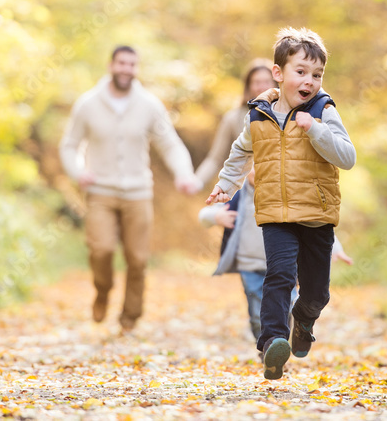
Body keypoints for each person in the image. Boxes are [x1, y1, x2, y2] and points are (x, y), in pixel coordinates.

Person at [206, 27, 356, 379]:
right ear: (279, 73)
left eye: (317, 74)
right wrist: (226, 185)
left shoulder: (323, 110)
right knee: (279, 275)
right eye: (301, 72)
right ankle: (273, 341)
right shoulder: (258, 115)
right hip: (275, 213)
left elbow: (347, 157)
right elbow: (241, 152)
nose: (309, 81)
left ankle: (303, 321)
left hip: (317, 215)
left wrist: (316, 130)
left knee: (316, 292)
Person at [60, 45, 201, 332]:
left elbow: (170, 144)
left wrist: (183, 173)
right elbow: (69, 145)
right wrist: (78, 171)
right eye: (121, 63)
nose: (126, 69)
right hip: (100, 191)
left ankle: (130, 316)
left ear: (136, 69)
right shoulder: (88, 104)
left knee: (137, 259)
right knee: (100, 250)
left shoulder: (149, 105)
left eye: (132, 65)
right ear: (111, 65)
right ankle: (102, 290)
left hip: (138, 192)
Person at [199, 166, 353, 346]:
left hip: (285, 264)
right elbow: (203, 214)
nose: (257, 171)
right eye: (252, 167)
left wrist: (336, 247)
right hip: (250, 266)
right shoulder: (237, 196)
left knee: (286, 308)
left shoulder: (284, 196)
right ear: (244, 170)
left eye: (261, 166)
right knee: (257, 314)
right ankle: (267, 348)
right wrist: (216, 216)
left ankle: (281, 343)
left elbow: (314, 225)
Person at [194, 60, 276, 188]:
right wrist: (197, 182)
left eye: (267, 82)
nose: (262, 87)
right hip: (242, 188)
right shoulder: (232, 118)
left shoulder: (285, 114)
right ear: (248, 86)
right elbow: (215, 159)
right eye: (257, 82)